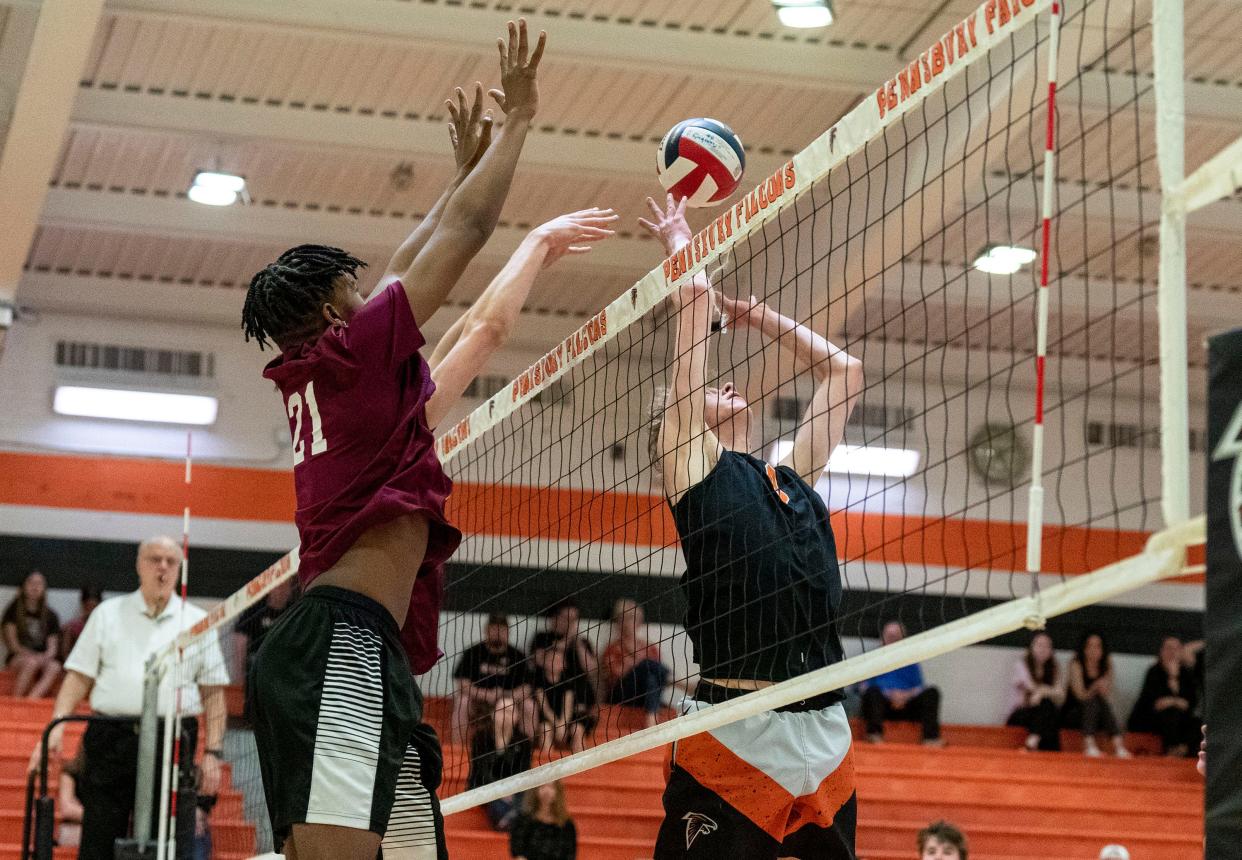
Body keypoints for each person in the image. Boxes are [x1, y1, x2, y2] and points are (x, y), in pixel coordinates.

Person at [240, 20, 615, 858]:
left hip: (369, 656)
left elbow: (443, 286)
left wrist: (463, 176)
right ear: (336, 313)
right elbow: (459, 239)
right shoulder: (349, 359)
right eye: (355, 287)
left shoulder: (350, 384)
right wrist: (517, 125)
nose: (373, 293)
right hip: (337, 646)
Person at [644, 193, 864, 858]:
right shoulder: (693, 468)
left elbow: (845, 374)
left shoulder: (792, 480)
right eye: (711, 391)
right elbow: (692, 308)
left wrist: (760, 317)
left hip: (824, 728)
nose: (727, 390)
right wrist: (686, 258)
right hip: (735, 729)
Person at [28, 536, 229, 860]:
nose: (162, 566)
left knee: (166, 844)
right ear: (138, 565)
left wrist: (213, 752)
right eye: (154, 559)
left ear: (179, 569)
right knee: (99, 839)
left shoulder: (197, 622)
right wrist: (56, 727)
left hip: (174, 740)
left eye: (170, 560)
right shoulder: (107, 614)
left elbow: (214, 694)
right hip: (111, 737)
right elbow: (78, 676)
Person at [453, 613, 536, 743]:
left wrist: (505, 695)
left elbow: (527, 688)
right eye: (494, 629)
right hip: (479, 701)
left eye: (502, 629)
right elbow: (462, 684)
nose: (498, 633)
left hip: (509, 703)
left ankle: (526, 751)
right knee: (462, 702)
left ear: (508, 632)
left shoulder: (517, 655)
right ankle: (458, 750)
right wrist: (485, 694)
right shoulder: (473, 653)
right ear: (486, 630)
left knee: (529, 705)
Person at [862, 621, 943, 745]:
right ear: (883, 637)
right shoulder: (873, 659)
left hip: (907, 706)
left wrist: (904, 696)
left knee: (932, 692)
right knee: (872, 693)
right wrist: (889, 694)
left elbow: (919, 687)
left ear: (902, 638)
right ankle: (874, 735)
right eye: (889, 636)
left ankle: (931, 738)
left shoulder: (909, 660)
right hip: (883, 706)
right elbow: (863, 686)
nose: (892, 639)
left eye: (895, 636)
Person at [467, 695, 534, 831]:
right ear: (493, 714)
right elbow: (481, 770)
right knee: (494, 796)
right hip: (484, 785)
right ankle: (512, 819)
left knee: (527, 792)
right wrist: (500, 791)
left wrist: (509, 789)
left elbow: (523, 771)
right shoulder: (480, 738)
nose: (505, 715)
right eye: (502, 710)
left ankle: (508, 820)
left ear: (516, 717)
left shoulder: (524, 741)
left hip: (514, 788)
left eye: (509, 711)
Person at [601, 598, 668, 729]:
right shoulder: (612, 649)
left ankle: (650, 721)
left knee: (651, 679)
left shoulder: (650, 647)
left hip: (645, 695)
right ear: (619, 621)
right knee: (647, 665)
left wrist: (635, 661)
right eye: (628, 617)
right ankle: (680, 683)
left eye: (635, 617)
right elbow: (615, 677)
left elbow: (660, 678)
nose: (632, 622)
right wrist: (638, 662)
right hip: (622, 694)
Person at [1062, 631, 1130, 758]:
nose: (1093, 650)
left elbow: (1106, 695)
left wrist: (1102, 687)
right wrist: (1094, 688)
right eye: (1090, 646)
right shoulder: (1076, 664)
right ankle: (1091, 744)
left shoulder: (1106, 664)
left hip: (1098, 714)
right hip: (1074, 713)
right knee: (1092, 701)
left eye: (1097, 646)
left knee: (1100, 702)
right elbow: (1080, 695)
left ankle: (1118, 745)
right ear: (1084, 648)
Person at [1128, 636, 1199, 756]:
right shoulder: (1154, 672)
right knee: (1170, 713)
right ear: (1161, 652)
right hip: (1152, 719)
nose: (1172, 652)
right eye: (1168, 648)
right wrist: (1176, 698)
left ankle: (1181, 750)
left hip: (1179, 719)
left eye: (1176, 649)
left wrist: (1174, 691)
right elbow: (1157, 703)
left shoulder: (1186, 674)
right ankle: (1172, 750)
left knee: (1198, 723)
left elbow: (1190, 704)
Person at [530, 598, 598, 711]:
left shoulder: (582, 642)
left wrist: (577, 641)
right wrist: (566, 641)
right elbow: (539, 661)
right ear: (555, 618)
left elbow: (591, 669)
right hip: (551, 693)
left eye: (574, 619)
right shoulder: (542, 638)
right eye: (567, 618)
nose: (570, 623)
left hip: (577, 695)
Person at [2, 570, 62, 698]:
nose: (35, 586)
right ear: (23, 586)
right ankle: (15, 701)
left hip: (41, 657)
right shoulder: (13, 611)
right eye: (31, 582)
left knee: (55, 667)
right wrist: (33, 656)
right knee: (31, 663)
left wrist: (44, 657)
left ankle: (31, 700)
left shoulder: (51, 615)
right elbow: (13, 645)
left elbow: (53, 648)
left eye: (39, 583)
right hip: (18, 657)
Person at [1006, 631, 1063, 751]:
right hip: (1021, 714)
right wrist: (1046, 691)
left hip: (1041, 716)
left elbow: (1061, 695)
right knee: (1047, 705)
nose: (1043, 649)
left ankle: (1033, 740)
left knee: (1048, 707)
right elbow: (1031, 689)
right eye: (1039, 645)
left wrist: (1042, 692)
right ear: (1031, 647)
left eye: (1047, 646)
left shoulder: (1054, 668)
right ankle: (1043, 748)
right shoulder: (1021, 665)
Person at [530, 640, 590, 753]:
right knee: (545, 729)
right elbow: (545, 708)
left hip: (565, 719)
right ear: (544, 662)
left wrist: (563, 724)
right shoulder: (538, 680)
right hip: (548, 719)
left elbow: (568, 707)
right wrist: (557, 725)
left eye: (558, 660)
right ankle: (547, 766)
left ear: (564, 664)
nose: (554, 662)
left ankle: (582, 765)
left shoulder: (568, 681)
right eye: (551, 659)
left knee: (578, 729)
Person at [509, 780, 577, 860]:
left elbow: (570, 855)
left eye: (551, 787)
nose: (546, 791)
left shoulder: (566, 824)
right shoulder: (523, 820)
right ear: (534, 790)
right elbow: (518, 852)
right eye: (542, 786)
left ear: (558, 791)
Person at [59, 584, 103, 661]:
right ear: (83, 605)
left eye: (94, 607)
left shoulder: (105, 627)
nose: (91, 610)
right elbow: (65, 653)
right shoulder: (72, 627)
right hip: (77, 665)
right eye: (88, 606)